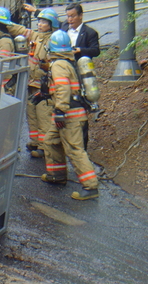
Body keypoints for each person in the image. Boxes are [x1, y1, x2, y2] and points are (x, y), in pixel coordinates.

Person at [40, 29, 99, 200]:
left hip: (68, 115)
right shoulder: (67, 62)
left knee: (74, 150)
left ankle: (90, 187)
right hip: (70, 113)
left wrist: (60, 111)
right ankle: (56, 176)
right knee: (50, 141)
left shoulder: (58, 65)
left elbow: (62, 87)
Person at [8, 7, 59, 158]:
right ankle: (35, 141)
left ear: (51, 24)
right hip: (31, 84)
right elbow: (20, 30)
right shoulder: (35, 36)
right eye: (39, 21)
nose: (40, 24)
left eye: (44, 22)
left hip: (44, 86)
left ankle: (44, 147)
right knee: (31, 113)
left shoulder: (54, 40)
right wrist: (4, 22)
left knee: (43, 115)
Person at [61, 3, 100, 150]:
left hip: (80, 73)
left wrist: (80, 50)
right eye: (68, 16)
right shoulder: (63, 29)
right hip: (64, 73)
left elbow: (96, 50)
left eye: (72, 16)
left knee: (80, 106)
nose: (69, 19)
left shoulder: (90, 33)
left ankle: (82, 145)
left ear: (80, 16)